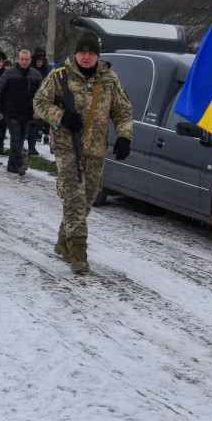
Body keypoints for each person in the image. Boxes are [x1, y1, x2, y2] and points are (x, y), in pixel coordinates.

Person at [33, 31, 133, 274]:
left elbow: (122, 110)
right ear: (75, 53)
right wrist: (62, 116)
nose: (86, 57)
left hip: (96, 147)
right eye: (82, 52)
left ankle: (62, 241)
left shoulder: (109, 79)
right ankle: (78, 251)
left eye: (91, 53)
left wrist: (124, 136)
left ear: (97, 55)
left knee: (87, 199)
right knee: (75, 197)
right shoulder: (60, 76)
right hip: (67, 145)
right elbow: (39, 102)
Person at [0, 49, 43, 176]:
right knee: (15, 137)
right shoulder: (9, 74)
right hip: (11, 112)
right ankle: (20, 162)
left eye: (26, 60)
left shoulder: (36, 75)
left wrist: (38, 111)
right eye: (22, 59)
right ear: (18, 59)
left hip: (27, 113)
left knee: (20, 139)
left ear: (30, 60)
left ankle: (11, 164)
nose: (24, 62)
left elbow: (41, 96)